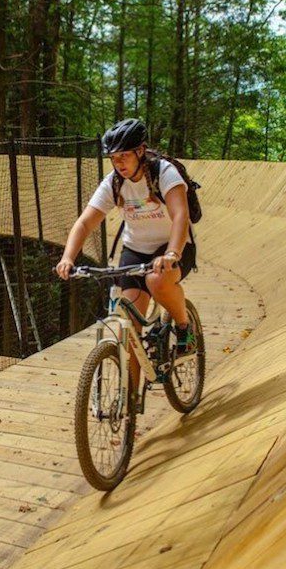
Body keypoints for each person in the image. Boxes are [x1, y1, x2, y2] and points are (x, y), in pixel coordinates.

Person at [55, 118, 197, 409]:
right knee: (128, 327)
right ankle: (129, 402)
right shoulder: (114, 183)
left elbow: (180, 215)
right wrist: (68, 257)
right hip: (135, 249)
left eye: (124, 156)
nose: (118, 163)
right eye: (113, 158)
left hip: (174, 244)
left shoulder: (164, 173)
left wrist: (171, 254)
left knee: (157, 281)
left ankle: (184, 326)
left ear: (141, 151)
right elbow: (85, 223)